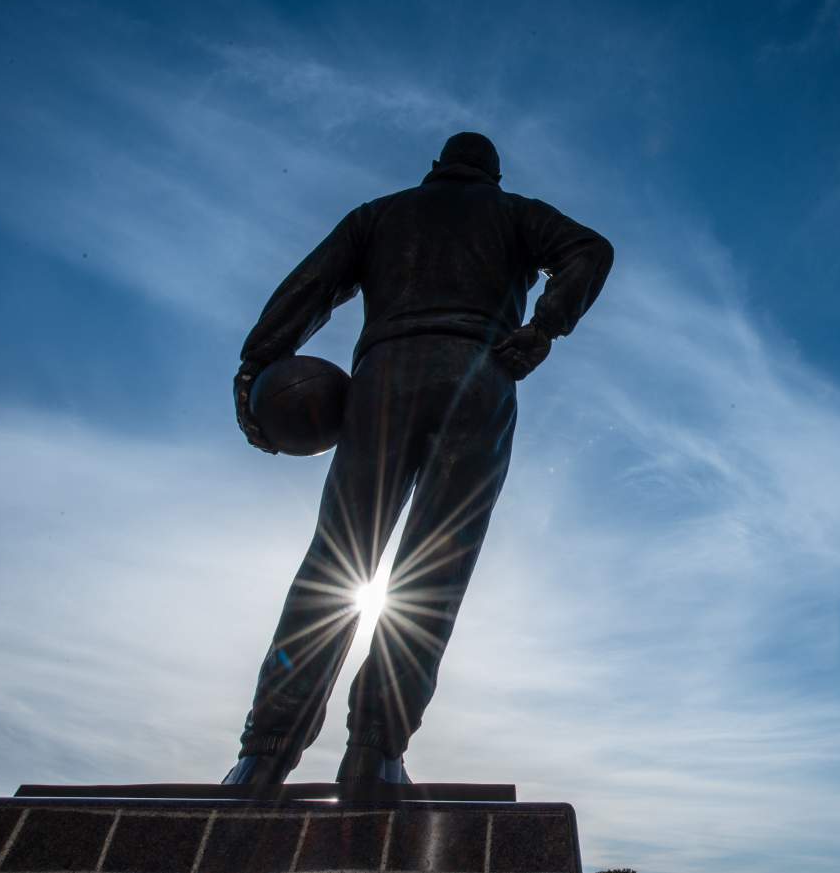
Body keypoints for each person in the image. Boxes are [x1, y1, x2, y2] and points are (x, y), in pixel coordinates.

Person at [222, 132, 613, 786]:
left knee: (337, 557)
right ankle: (376, 750)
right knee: (434, 568)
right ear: (492, 176)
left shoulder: (379, 214)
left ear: (437, 169)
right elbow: (590, 250)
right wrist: (544, 325)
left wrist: (257, 367)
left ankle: (262, 755)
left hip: (384, 377)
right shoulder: (514, 213)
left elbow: (309, 287)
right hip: (478, 379)